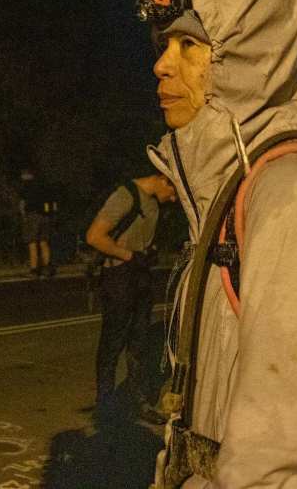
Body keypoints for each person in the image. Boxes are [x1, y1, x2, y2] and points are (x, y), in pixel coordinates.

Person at [139, 0, 297, 487]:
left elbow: (275, 453)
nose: (162, 65)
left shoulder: (291, 195)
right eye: (164, 45)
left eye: (188, 45)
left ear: (245, 60)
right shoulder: (234, 190)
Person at [85, 173, 175, 423]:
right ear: (164, 179)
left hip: (140, 275)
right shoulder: (126, 196)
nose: (173, 200)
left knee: (139, 343)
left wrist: (148, 252)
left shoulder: (153, 202)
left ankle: (139, 403)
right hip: (119, 276)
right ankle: (104, 406)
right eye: (173, 193)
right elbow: (94, 236)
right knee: (112, 344)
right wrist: (128, 256)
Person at [18, 168, 55, 277]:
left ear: (26, 175)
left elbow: (22, 203)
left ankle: (34, 270)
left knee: (32, 242)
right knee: (44, 241)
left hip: (32, 215)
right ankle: (47, 268)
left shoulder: (25, 186)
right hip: (45, 216)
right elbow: (52, 201)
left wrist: (23, 216)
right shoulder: (43, 185)